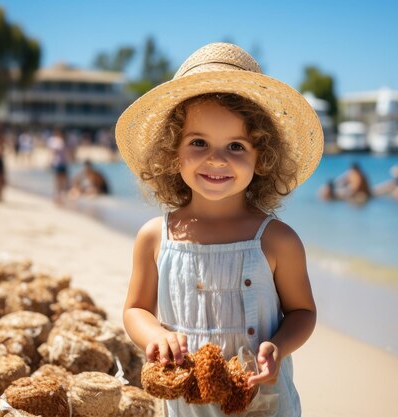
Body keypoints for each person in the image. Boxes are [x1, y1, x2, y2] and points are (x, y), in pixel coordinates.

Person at [120, 43, 321, 417]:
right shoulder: (155, 237)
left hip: (266, 404)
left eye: (235, 146)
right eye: (199, 142)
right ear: (171, 151)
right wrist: (156, 336)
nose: (216, 158)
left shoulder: (277, 239)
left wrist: (278, 347)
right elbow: (135, 309)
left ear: (262, 156)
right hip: (185, 405)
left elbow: (303, 312)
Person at [47, 129, 69, 203]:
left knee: (60, 180)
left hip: (61, 163)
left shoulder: (61, 141)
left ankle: (59, 195)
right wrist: (49, 161)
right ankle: (58, 195)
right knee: (58, 180)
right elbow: (51, 153)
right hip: (58, 163)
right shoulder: (57, 142)